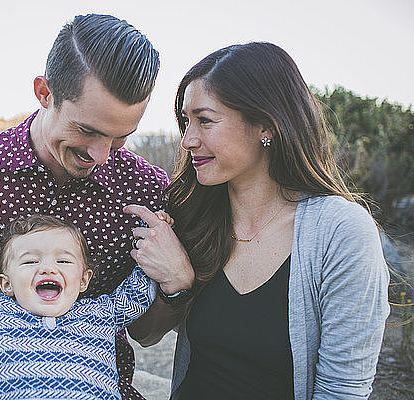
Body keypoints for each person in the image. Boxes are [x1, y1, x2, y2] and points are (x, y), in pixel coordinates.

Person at [0, 14, 193, 400]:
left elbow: (145, 333)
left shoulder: (146, 190)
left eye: (121, 137)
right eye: (87, 130)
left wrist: (177, 284)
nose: (101, 155)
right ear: (44, 93)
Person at [125, 42, 389, 399]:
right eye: (186, 121)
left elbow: (343, 390)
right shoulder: (190, 214)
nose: (187, 140)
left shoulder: (340, 232)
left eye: (205, 120)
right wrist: (177, 285)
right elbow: (143, 334)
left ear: (266, 125)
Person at [0, 194, 162, 400]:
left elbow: (140, 288)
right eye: (30, 261)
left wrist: (150, 236)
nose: (48, 268)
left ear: (84, 280)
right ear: (6, 284)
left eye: (63, 260)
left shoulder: (102, 312)